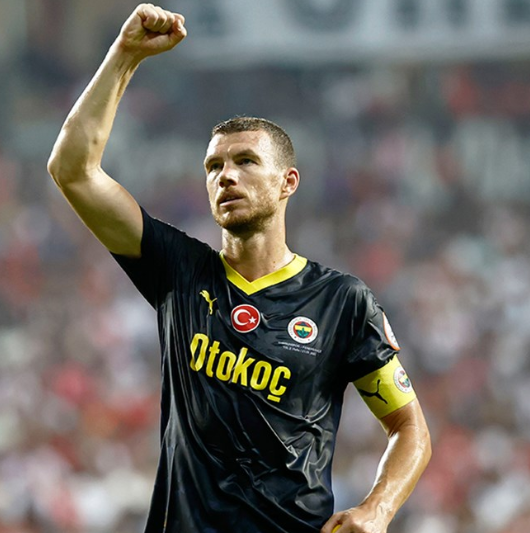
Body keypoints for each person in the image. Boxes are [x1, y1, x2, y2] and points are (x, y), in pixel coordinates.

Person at [47, 4, 431, 532]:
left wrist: (377, 509)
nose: (226, 176)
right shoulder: (178, 271)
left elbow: (410, 428)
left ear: (287, 182)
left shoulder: (341, 301)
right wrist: (125, 55)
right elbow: (72, 170)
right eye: (214, 166)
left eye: (246, 161)